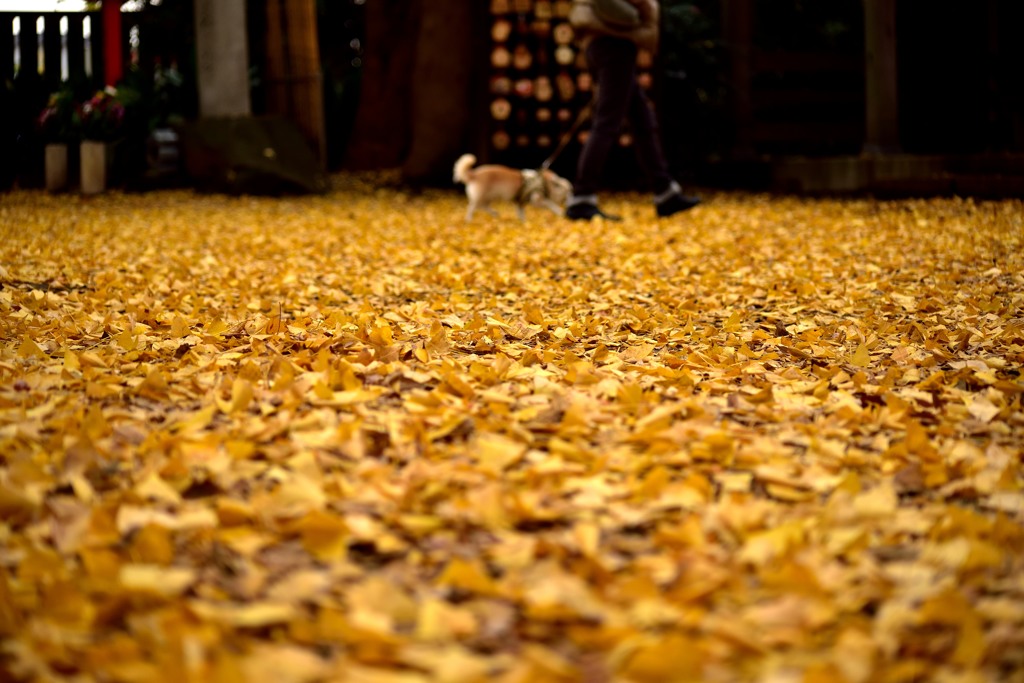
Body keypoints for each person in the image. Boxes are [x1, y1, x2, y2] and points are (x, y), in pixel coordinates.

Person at [566, 0, 700, 220]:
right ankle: (582, 196)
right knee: (607, 122)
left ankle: (664, 191)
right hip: (613, 44)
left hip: (609, 42)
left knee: (642, 121)